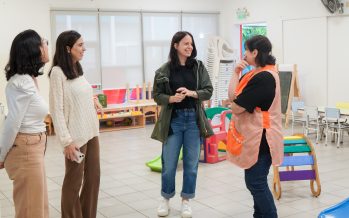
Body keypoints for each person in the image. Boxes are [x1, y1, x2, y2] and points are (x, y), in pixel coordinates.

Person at [151, 31, 214, 218]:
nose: (190, 47)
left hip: (194, 120)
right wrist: (171, 98)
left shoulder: (198, 67)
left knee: (191, 164)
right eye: (186, 43)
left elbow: (208, 90)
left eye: (191, 44)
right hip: (174, 120)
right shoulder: (164, 70)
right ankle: (165, 198)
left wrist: (192, 93)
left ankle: (186, 200)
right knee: (169, 164)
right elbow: (157, 96)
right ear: (175, 45)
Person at [227, 35, 284, 218]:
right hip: (255, 137)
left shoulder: (265, 77)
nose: (244, 54)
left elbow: (237, 106)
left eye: (246, 50)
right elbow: (232, 96)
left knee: (255, 182)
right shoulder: (253, 73)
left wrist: (234, 105)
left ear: (255, 52)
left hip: (263, 138)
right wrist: (235, 72)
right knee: (255, 182)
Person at [49, 30, 102, 218]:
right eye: (80, 45)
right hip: (75, 139)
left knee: (93, 179)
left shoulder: (77, 69)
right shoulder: (57, 73)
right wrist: (66, 141)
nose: (84, 48)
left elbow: (80, 93)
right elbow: (57, 109)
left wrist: (93, 99)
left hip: (91, 132)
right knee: (73, 182)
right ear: (67, 48)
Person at [0, 29, 50, 218]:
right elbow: (12, 123)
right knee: (31, 211)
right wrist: (1, 155)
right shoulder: (20, 82)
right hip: (25, 150)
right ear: (33, 49)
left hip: (33, 147)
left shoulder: (30, 78)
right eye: (43, 42)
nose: (46, 44)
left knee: (39, 208)